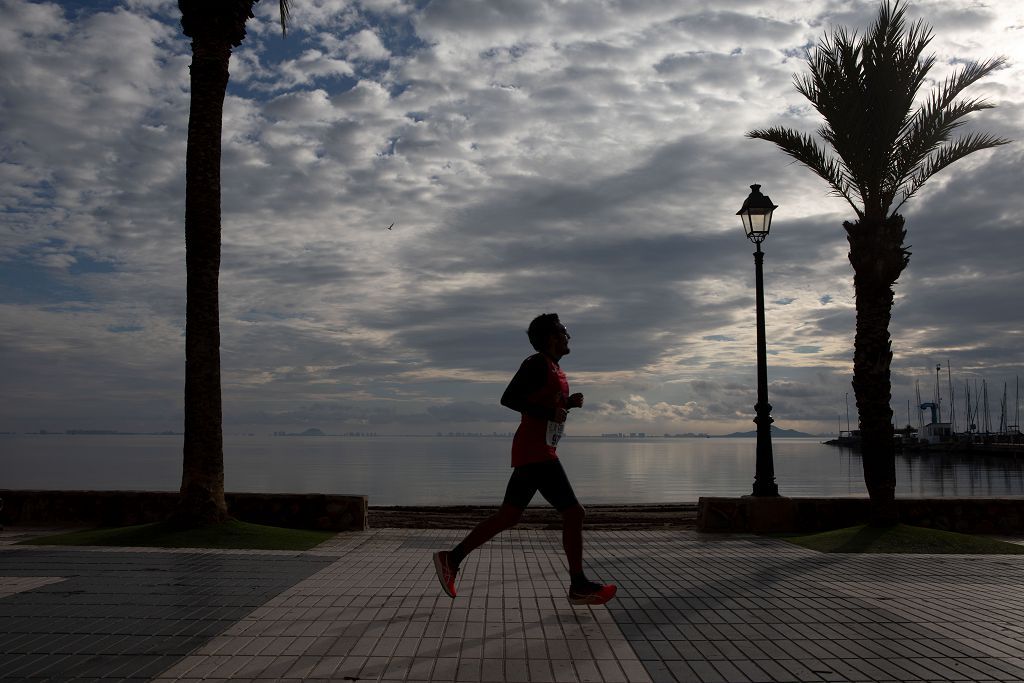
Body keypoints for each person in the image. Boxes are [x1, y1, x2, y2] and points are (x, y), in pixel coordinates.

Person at [433, 313, 617, 606]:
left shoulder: (553, 368)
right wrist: (549, 413)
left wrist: (567, 404)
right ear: (551, 338)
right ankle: (579, 585)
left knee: (509, 516)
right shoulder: (536, 363)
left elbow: (543, 405)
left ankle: (451, 559)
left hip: (536, 451)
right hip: (536, 452)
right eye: (563, 331)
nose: (568, 335)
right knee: (574, 513)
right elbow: (509, 398)